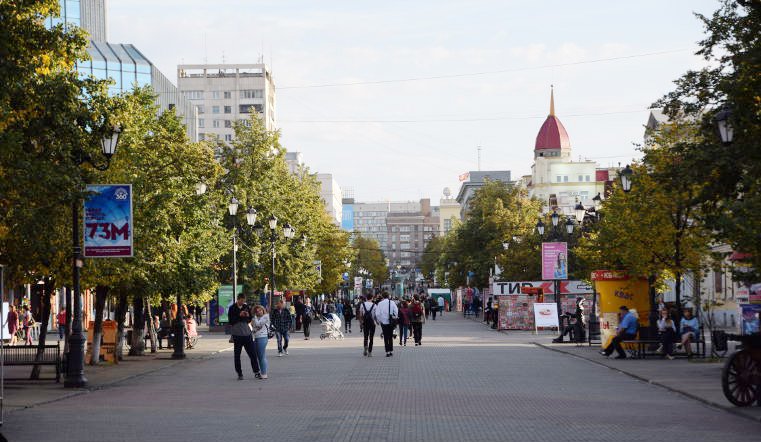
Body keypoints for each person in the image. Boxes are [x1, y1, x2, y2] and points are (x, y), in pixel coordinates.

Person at [228, 294, 261, 380]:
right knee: (237, 355)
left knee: (253, 354)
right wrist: (239, 315)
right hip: (237, 334)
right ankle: (239, 373)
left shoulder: (246, 307)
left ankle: (257, 372)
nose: (243, 302)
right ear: (238, 299)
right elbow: (231, 321)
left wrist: (247, 315)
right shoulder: (232, 308)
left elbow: (249, 319)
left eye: (244, 301)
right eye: (242, 301)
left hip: (247, 334)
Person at [376, 292, 399, 357]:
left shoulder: (380, 303)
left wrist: (380, 320)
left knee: (385, 337)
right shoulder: (392, 302)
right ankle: (391, 350)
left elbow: (377, 314)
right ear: (388, 296)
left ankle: (387, 352)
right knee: (390, 336)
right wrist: (395, 317)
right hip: (391, 322)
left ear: (382, 296)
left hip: (383, 322)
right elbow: (396, 311)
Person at [252, 305, 270, 379]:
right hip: (256, 337)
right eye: (256, 311)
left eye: (260, 310)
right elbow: (253, 327)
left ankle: (264, 373)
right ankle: (262, 371)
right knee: (259, 356)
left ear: (263, 310)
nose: (258, 312)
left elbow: (258, 324)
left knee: (261, 356)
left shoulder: (265, 317)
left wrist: (254, 318)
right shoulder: (255, 318)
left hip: (262, 337)